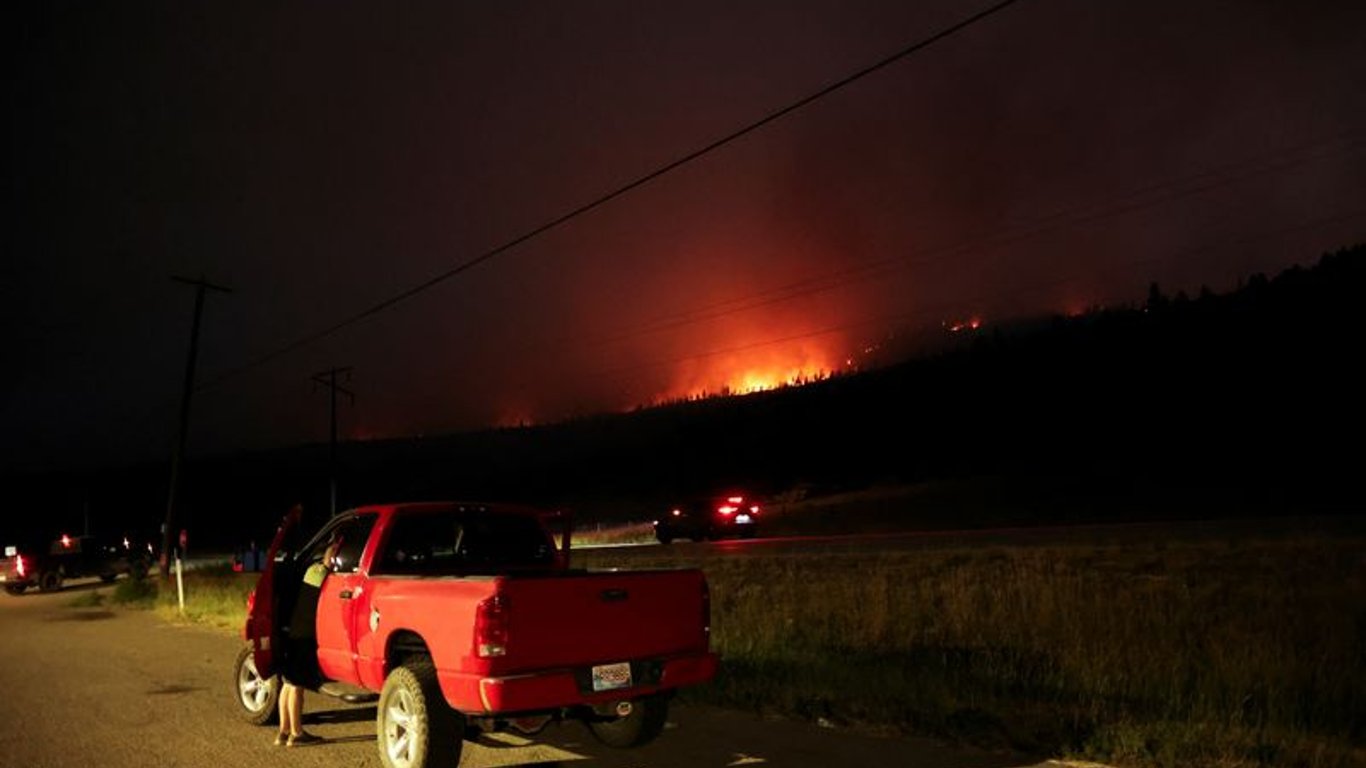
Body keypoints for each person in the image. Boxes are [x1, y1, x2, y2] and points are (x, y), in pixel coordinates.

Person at [275, 530, 343, 747]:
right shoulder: (321, 574)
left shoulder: (311, 570)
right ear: (328, 554)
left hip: (293, 632)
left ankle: (283, 732)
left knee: (287, 684)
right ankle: (297, 733)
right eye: (333, 553)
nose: (334, 559)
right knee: (296, 686)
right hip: (304, 635)